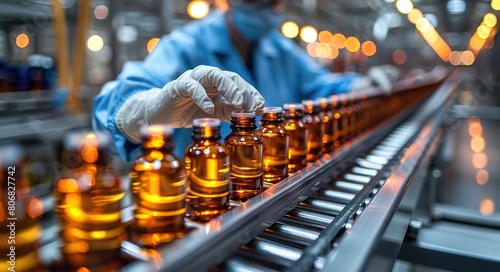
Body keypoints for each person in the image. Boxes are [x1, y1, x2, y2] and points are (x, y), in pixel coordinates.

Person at [93, 0, 397, 162]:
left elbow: (319, 85)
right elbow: (113, 103)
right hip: (204, 201)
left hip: (274, 192)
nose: (265, 9)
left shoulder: (278, 49)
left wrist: (359, 85)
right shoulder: (185, 46)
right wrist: (145, 111)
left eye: (274, 3)